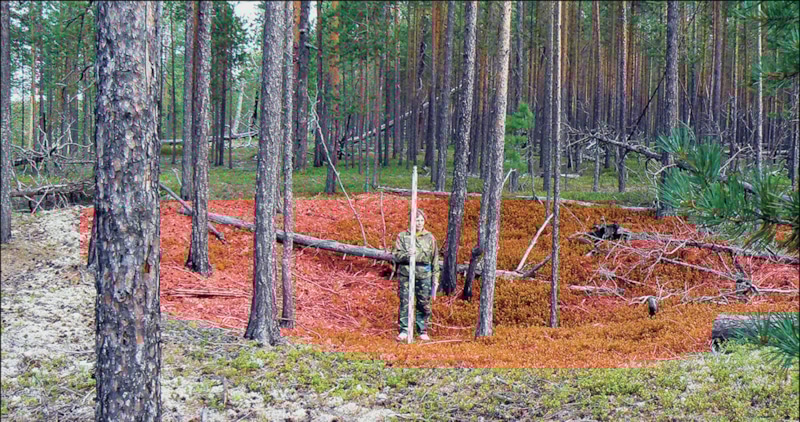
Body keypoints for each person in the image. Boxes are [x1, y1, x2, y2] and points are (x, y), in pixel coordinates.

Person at [392, 209, 439, 342]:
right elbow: (396, 255)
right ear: (411, 220)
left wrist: (435, 279)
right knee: (405, 301)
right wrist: (408, 255)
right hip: (406, 274)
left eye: (421, 220)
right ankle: (404, 330)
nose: (419, 223)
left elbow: (434, 260)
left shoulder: (430, 237)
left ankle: (422, 330)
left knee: (424, 302)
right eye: (416, 220)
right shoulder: (403, 236)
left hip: (424, 275)